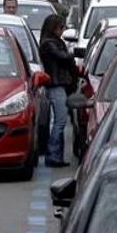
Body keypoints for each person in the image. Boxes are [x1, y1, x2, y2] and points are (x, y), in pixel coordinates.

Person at [38, 14, 76, 168]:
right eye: (61, 27)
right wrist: (72, 55)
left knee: (60, 121)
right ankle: (53, 155)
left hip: (59, 84)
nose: (63, 30)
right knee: (60, 121)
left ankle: (56, 155)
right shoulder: (49, 44)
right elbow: (63, 57)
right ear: (53, 28)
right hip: (56, 84)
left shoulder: (54, 42)